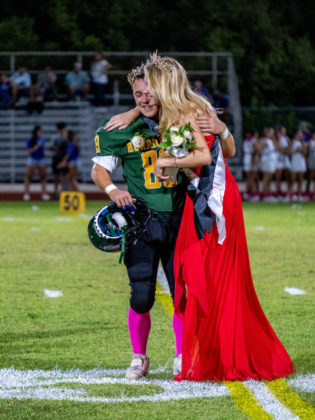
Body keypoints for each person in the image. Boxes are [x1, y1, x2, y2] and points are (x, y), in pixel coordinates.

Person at [144, 54, 293, 382]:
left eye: (152, 84)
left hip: (214, 201)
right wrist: (170, 165)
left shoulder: (184, 111)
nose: (148, 92)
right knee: (210, 276)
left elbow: (208, 154)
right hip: (208, 196)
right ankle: (217, 353)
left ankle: (219, 356)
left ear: (163, 84)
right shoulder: (189, 106)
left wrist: (167, 163)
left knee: (207, 275)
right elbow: (215, 153)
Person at [91, 60, 225, 380]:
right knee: (141, 294)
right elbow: (99, 169)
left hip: (179, 219)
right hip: (142, 221)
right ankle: (140, 358)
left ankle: (182, 355)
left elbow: (192, 159)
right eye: (138, 94)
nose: (144, 99)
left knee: (183, 294)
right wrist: (112, 190)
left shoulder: (176, 122)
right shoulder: (121, 128)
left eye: (149, 93)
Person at [23, 125, 50, 201]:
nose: (41, 133)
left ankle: (44, 194)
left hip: (41, 159)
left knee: (43, 177)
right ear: (36, 132)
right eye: (39, 131)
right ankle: (26, 193)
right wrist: (37, 146)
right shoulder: (30, 140)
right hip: (32, 159)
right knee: (29, 176)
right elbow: (29, 151)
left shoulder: (42, 139)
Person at [49, 122, 69, 197]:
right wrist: (56, 148)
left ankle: (65, 191)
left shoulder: (67, 136)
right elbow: (51, 147)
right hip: (57, 158)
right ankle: (56, 192)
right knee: (56, 176)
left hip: (64, 158)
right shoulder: (55, 137)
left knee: (65, 176)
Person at [290, 130, 307, 201]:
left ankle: (299, 195)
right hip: (294, 162)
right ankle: (291, 195)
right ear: (295, 135)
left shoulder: (303, 143)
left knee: (300, 180)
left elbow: (304, 154)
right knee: (292, 180)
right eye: (299, 134)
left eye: (301, 135)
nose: (301, 136)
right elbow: (289, 152)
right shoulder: (292, 142)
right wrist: (295, 150)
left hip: (301, 162)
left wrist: (303, 148)